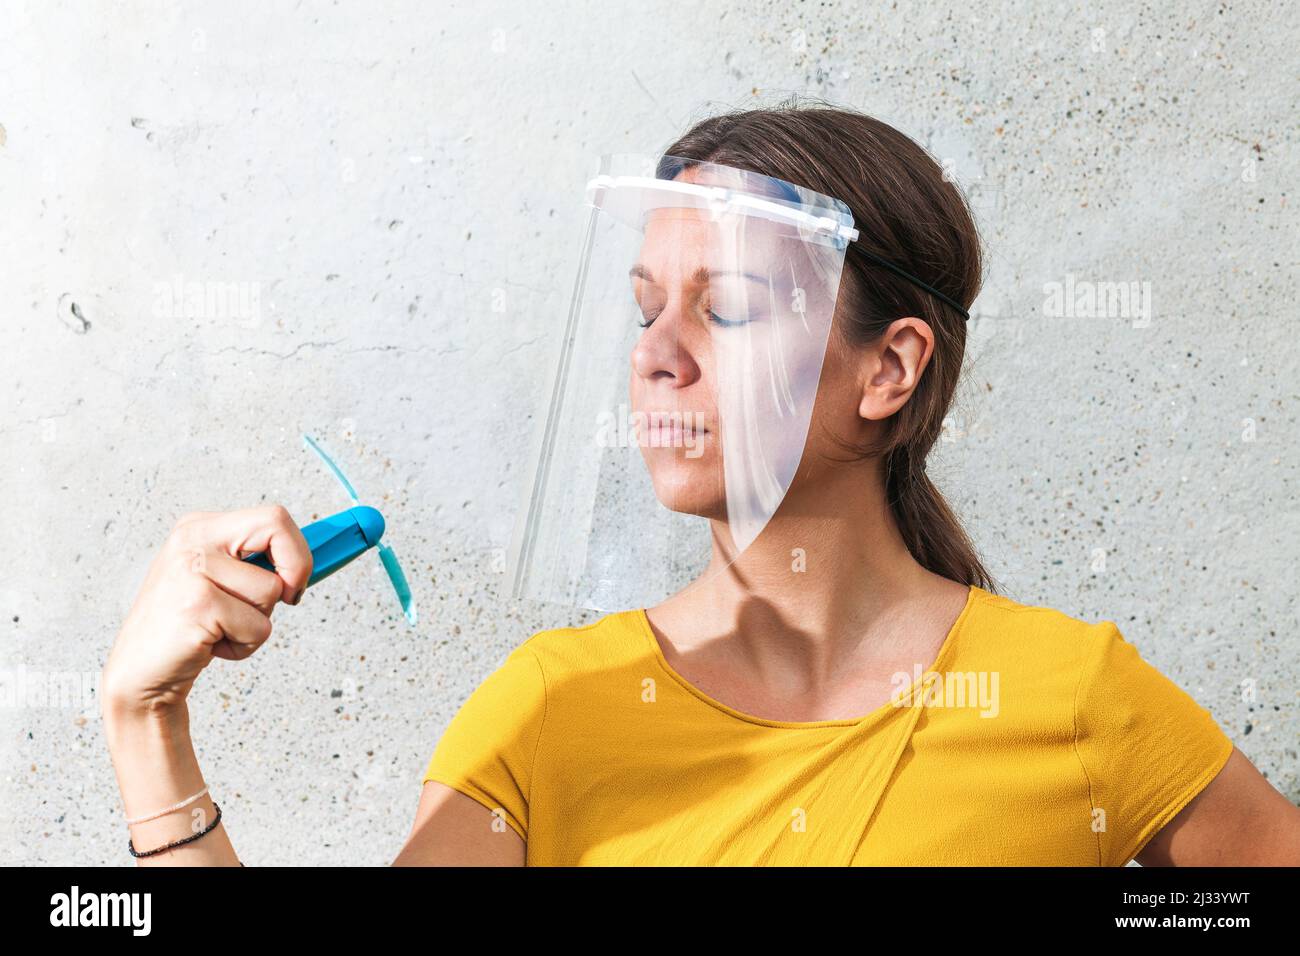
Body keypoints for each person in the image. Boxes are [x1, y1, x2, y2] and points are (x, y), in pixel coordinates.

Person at [102, 103, 1300, 866]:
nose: (655, 350)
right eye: (642, 307)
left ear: (888, 366)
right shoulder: (547, 709)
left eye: (723, 304)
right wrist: (147, 724)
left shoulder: (1077, 694)